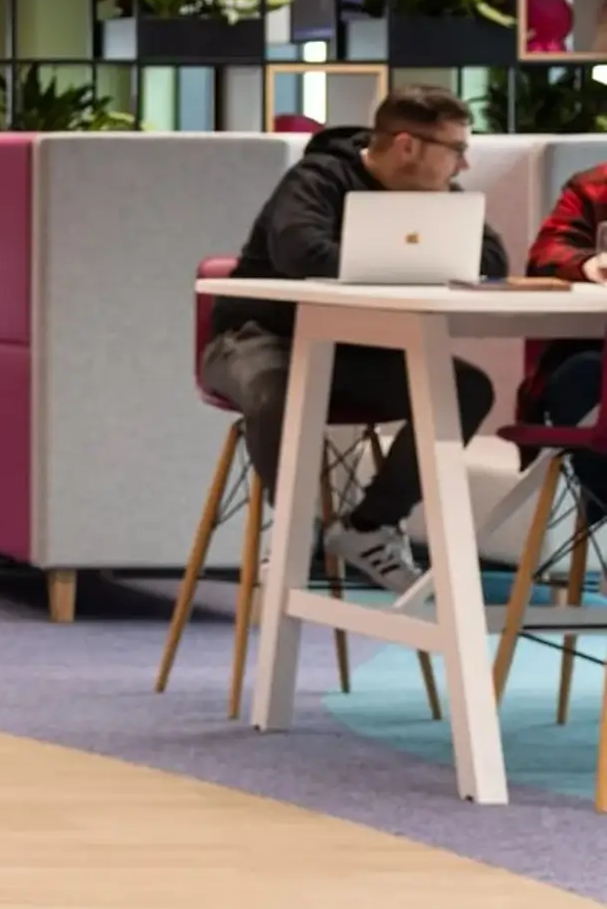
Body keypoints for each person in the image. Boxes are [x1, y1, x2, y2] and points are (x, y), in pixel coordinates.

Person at [203, 86, 503, 586]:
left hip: (355, 352)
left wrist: (420, 243)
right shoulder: (318, 177)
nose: (464, 166)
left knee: (465, 388)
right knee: (279, 391)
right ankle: (298, 527)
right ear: (407, 145)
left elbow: (492, 265)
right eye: (456, 150)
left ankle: (371, 525)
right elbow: (301, 255)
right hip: (258, 338)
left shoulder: (438, 195)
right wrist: (424, 263)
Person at [524, 154, 607, 493]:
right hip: (595, 358)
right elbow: (548, 253)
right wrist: (589, 264)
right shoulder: (594, 188)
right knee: (581, 376)